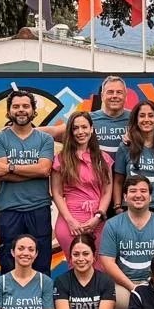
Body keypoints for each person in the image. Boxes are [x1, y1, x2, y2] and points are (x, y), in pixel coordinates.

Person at [0, 90, 56, 274]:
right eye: (16, 106)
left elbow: (44, 169)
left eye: (26, 106)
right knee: (9, 264)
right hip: (9, 209)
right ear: (9, 111)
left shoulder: (45, 139)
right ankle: (10, 302)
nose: (21, 110)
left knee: (41, 263)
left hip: (38, 208)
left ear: (33, 111)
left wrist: (10, 168)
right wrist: (33, 171)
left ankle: (42, 303)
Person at [99, 176, 154, 309]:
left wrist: (152, 287)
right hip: (124, 284)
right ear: (125, 196)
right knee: (113, 300)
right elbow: (107, 262)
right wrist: (133, 287)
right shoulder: (112, 224)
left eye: (143, 191)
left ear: (150, 197)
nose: (138, 195)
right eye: (133, 191)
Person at [52, 110, 113, 261]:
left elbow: (107, 191)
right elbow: (57, 193)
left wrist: (98, 217)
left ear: (91, 129)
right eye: (75, 128)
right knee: (76, 263)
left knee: (99, 265)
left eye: (84, 127)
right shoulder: (62, 159)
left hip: (97, 220)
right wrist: (70, 220)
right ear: (70, 132)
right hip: (70, 219)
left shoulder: (103, 158)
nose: (80, 132)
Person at [114, 100, 154, 223]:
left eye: (151, 115)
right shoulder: (126, 146)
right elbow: (118, 180)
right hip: (132, 207)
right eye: (142, 116)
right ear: (136, 120)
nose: (146, 119)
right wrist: (118, 206)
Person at [88, 76, 133, 158]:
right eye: (110, 92)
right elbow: (59, 132)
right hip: (98, 170)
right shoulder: (88, 119)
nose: (115, 96)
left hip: (126, 170)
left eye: (119, 92)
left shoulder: (136, 118)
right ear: (102, 96)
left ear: (126, 96)